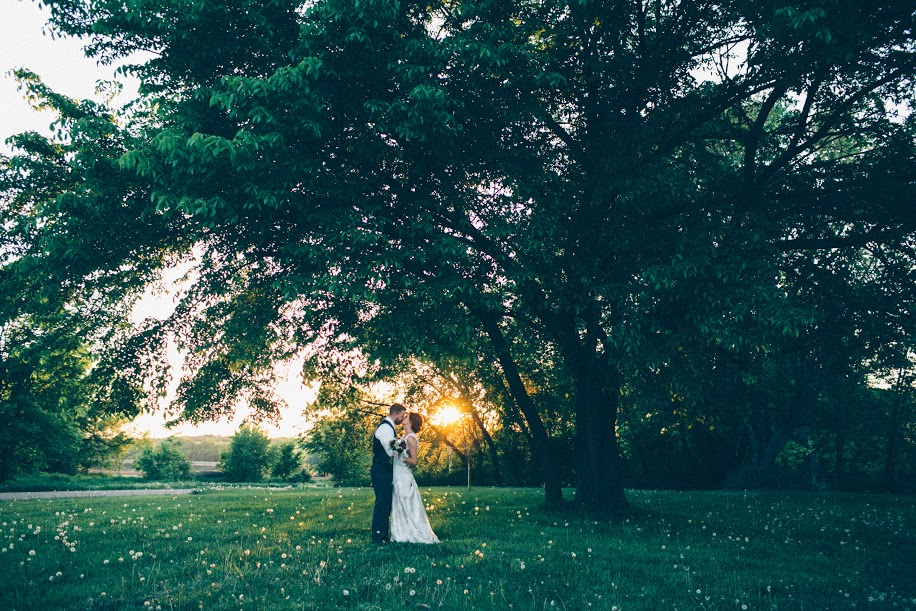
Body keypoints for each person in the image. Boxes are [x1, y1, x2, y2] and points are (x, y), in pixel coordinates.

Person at [390, 413, 440, 544]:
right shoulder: (403, 437)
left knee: (406, 503)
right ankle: (401, 532)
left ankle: (412, 532)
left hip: (404, 475)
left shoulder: (411, 438)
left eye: (406, 417)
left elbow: (414, 461)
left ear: (410, 422)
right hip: (397, 473)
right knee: (399, 502)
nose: (403, 418)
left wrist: (400, 456)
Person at [371, 403, 407, 544]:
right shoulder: (386, 428)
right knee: (382, 504)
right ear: (396, 414)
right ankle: (379, 537)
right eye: (402, 415)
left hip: (385, 470)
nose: (402, 418)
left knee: (386, 504)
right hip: (381, 470)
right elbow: (390, 451)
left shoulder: (389, 427)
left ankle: (382, 535)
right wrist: (403, 450)